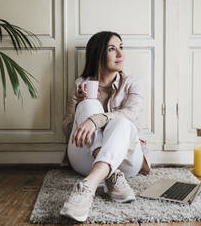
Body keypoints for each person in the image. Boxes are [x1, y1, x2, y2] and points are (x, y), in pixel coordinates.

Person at [60, 31, 151, 222]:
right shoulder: (80, 84)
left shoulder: (132, 83)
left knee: (122, 121)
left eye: (121, 47)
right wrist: (79, 106)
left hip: (127, 162)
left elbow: (130, 114)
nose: (120, 54)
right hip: (85, 159)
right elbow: (69, 130)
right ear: (98, 54)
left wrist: (96, 120)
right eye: (112, 49)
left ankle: (89, 186)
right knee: (87, 105)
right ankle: (110, 175)